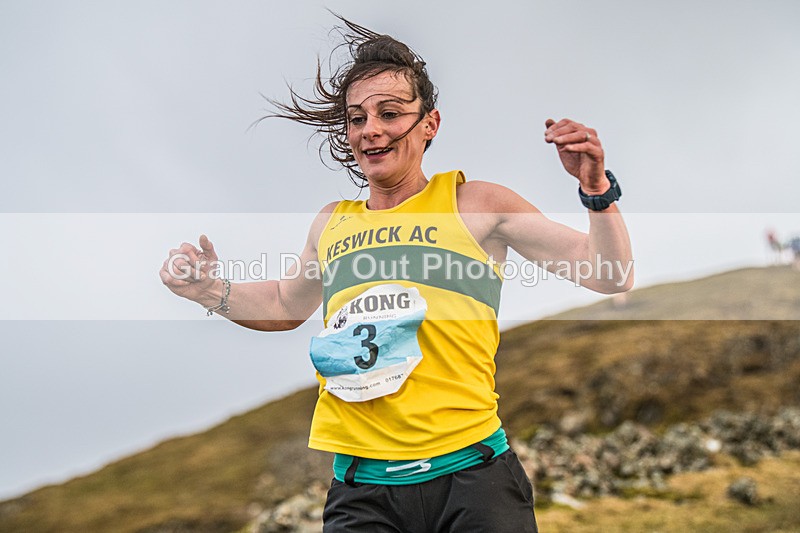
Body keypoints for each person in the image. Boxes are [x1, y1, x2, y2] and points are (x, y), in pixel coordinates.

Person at [160, 16, 633, 533]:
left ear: (429, 124)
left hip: (473, 478)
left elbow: (609, 274)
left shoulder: (476, 204)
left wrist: (595, 188)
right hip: (363, 492)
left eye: (390, 113)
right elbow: (282, 306)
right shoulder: (332, 221)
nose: (371, 130)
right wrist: (209, 290)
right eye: (357, 118)